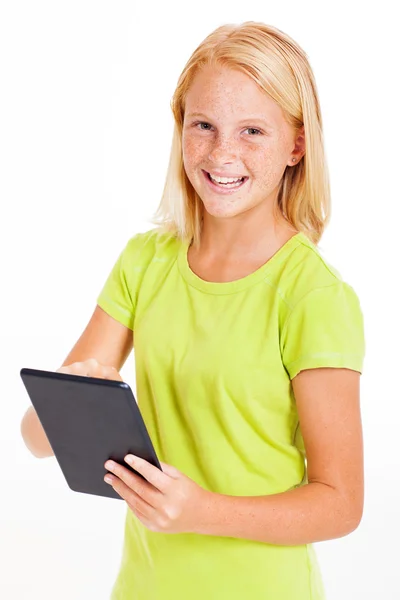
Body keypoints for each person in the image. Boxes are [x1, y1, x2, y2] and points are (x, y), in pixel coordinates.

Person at [20, 21, 366, 600]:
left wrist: (201, 511)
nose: (222, 153)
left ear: (296, 145)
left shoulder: (314, 295)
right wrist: (74, 394)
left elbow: (341, 504)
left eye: (253, 130)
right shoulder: (145, 262)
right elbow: (35, 437)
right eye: (202, 125)